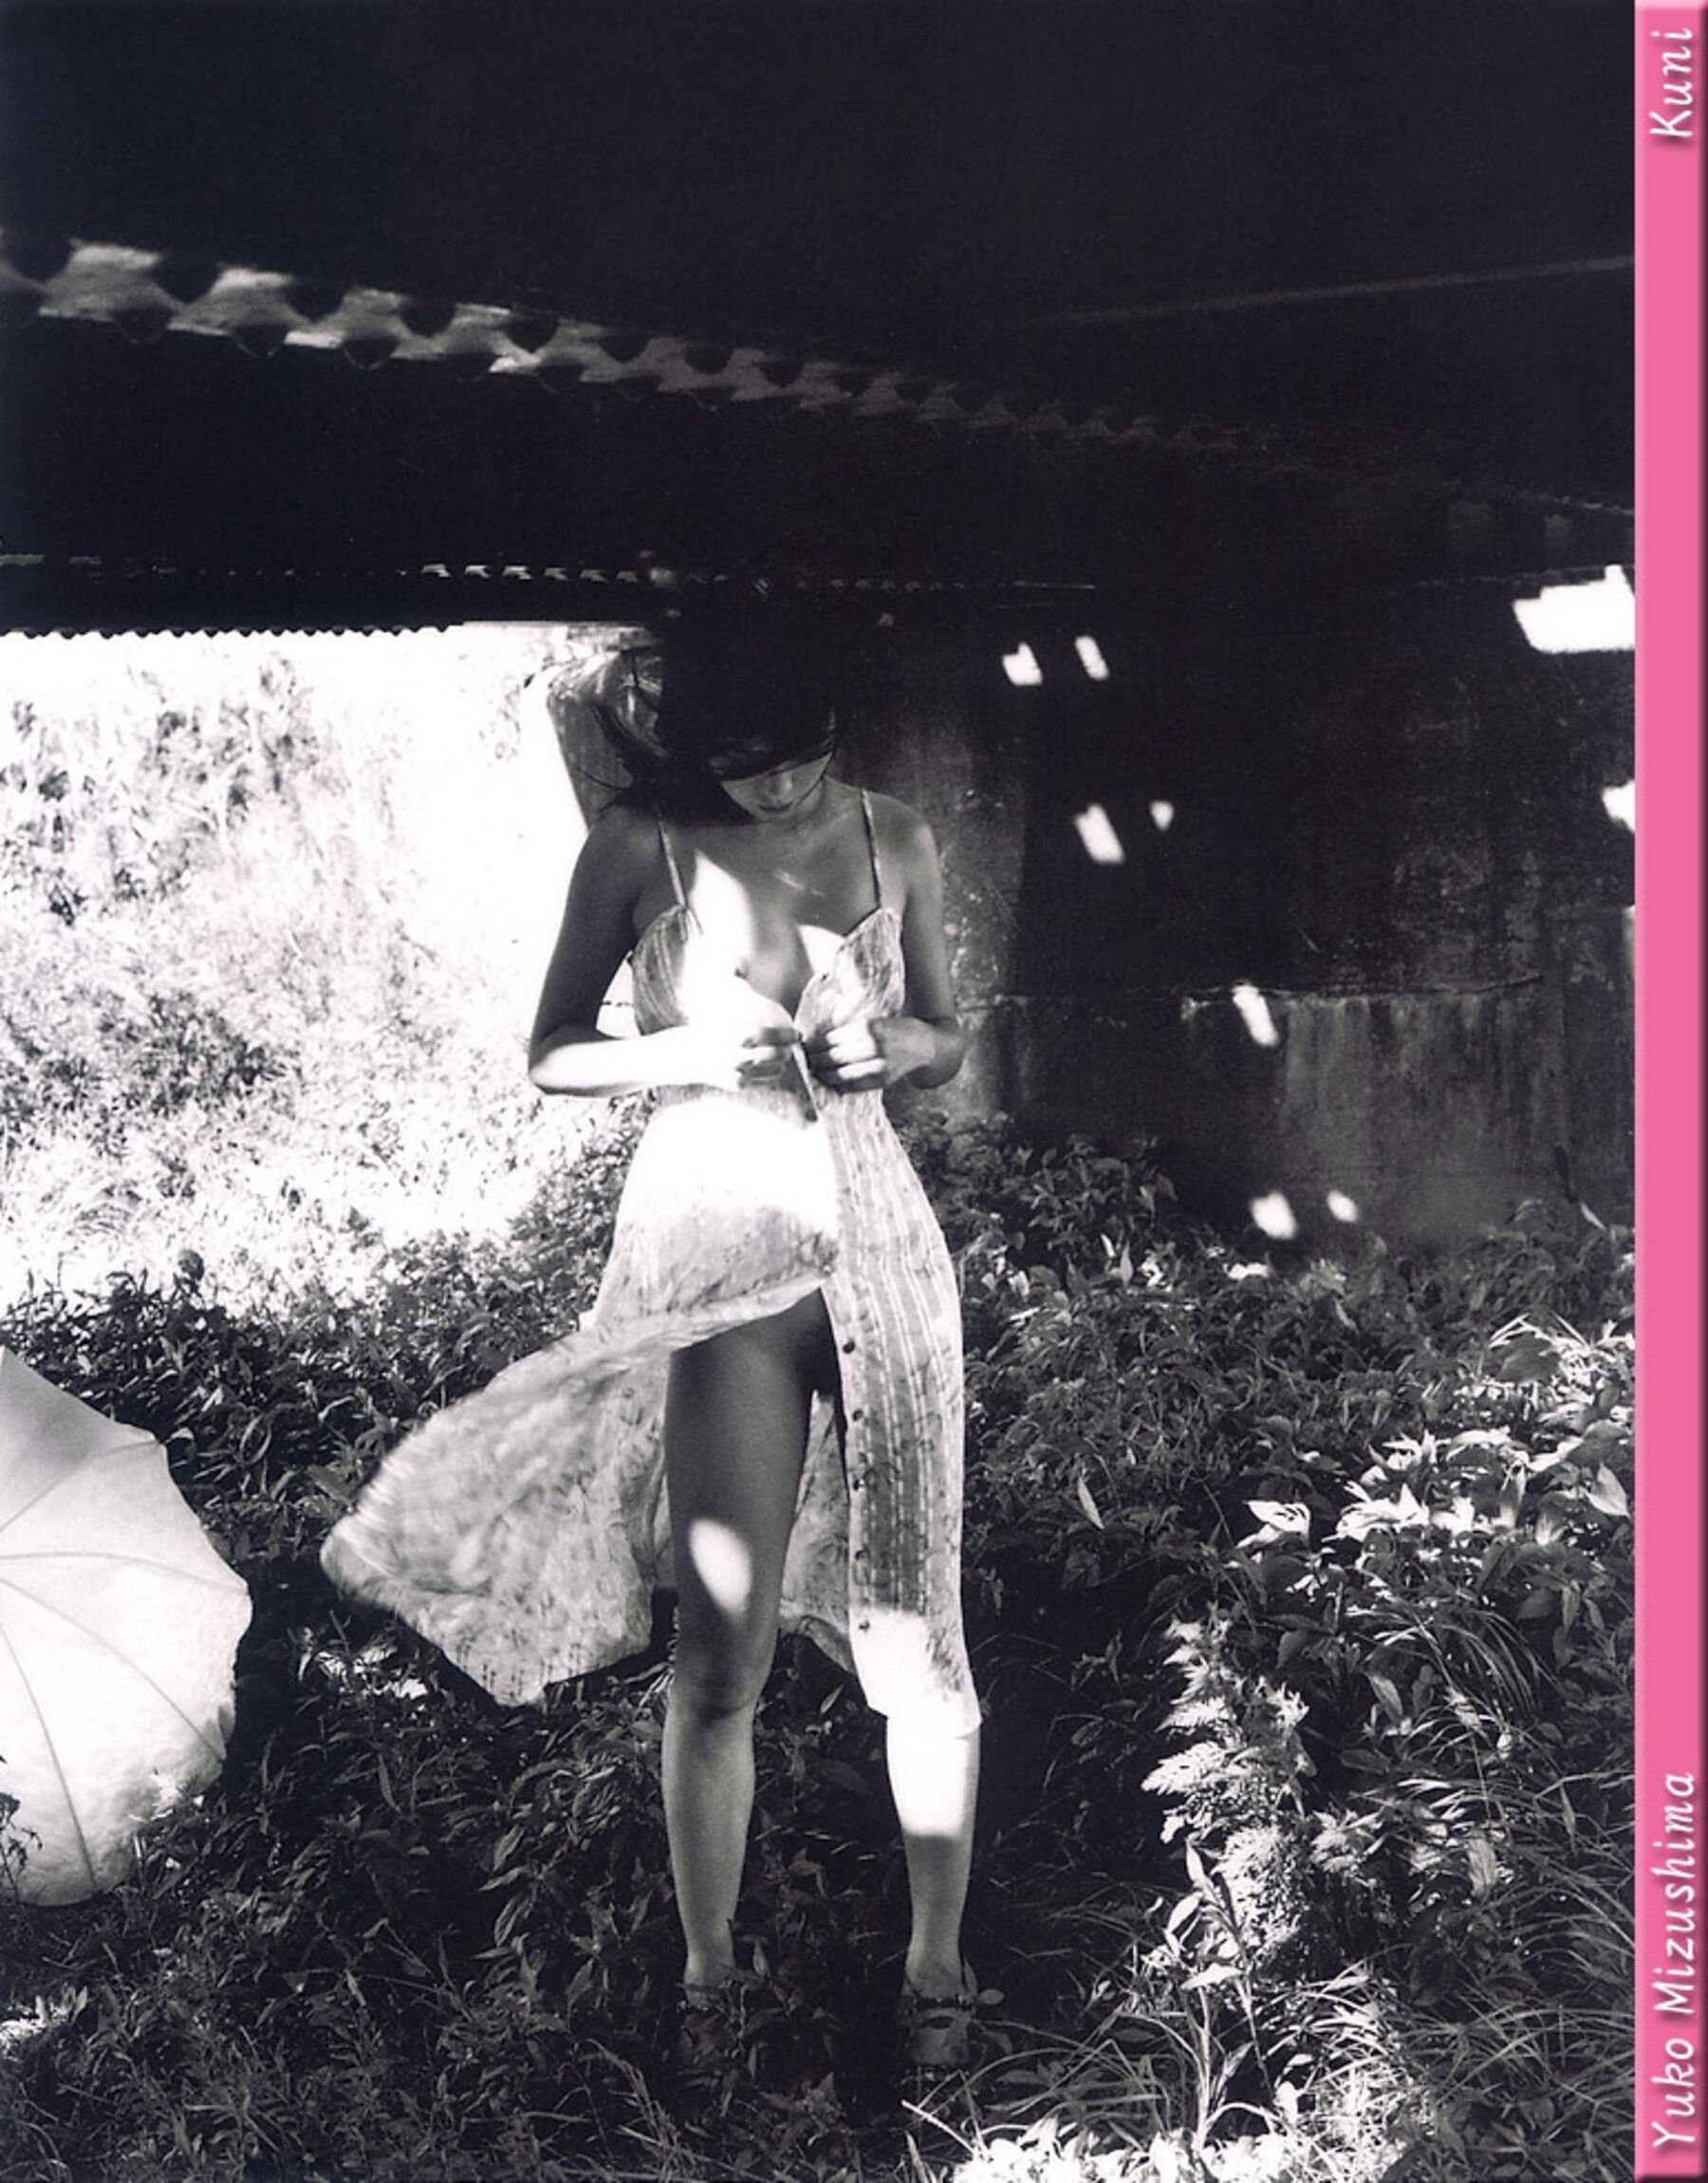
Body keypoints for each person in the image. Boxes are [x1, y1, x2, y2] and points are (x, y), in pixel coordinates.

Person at [321, 616, 981, 2114]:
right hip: (723, 1252)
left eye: (807, 756)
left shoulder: (894, 832)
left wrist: (904, 1049)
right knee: (719, 1653)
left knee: (919, 1636)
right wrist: (686, 1056)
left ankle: (939, 1973)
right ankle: (710, 1983)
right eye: (749, 766)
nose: (784, 786)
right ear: (695, 752)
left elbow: (947, 1032)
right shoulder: (641, 843)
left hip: (884, 1250)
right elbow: (554, 1048)